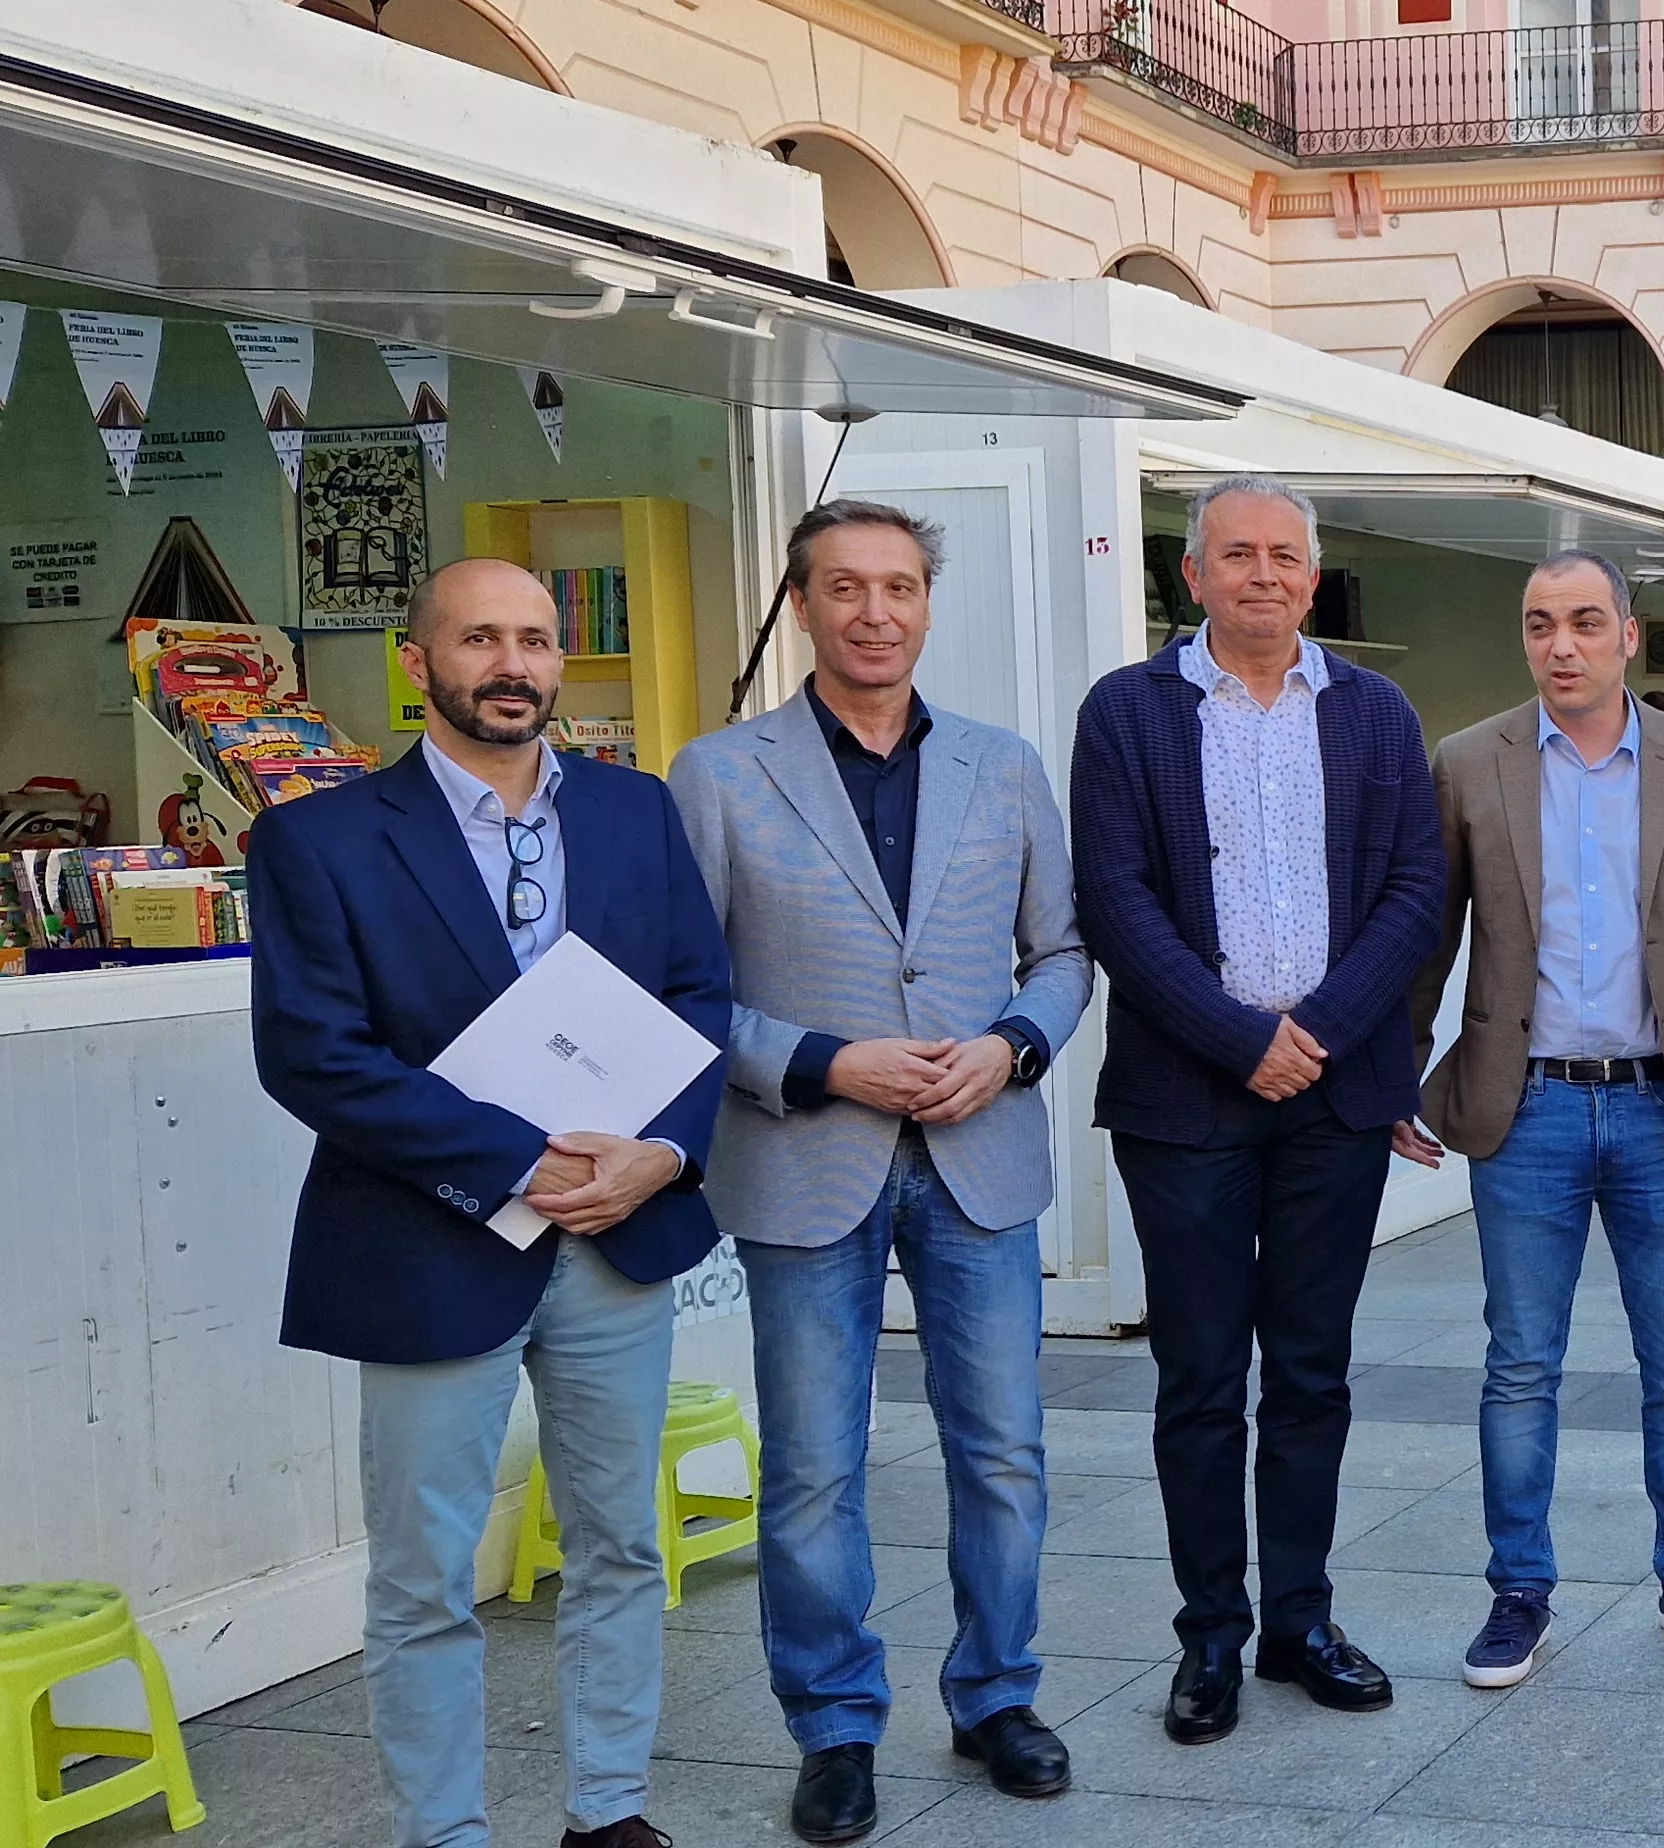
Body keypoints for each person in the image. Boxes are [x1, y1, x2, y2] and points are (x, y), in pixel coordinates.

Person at [248, 558, 731, 1848]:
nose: (511, 664)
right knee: (423, 1578)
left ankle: (610, 1811)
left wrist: (663, 1156)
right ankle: (443, 1831)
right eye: (478, 639)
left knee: (621, 1544)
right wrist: (518, 1163)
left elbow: (700, 999)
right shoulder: (318, 837)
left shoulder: (635, 812)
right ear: (419, 665)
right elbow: (313, 1052)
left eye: (534, 639)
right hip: (427, 1244)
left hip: (621, 1231)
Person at [670, 502, 1090, 1842]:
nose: (875, 612)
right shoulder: (721, 772)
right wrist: (817, 1062)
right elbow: (680, 990)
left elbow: (1066, 956)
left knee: (1006, 1455)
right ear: (802, 603)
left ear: (925, 602)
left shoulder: (1004, 765)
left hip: (978, 1153)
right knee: (809, 1467)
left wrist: (1013, 1049)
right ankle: (835, 1725)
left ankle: (996, 1698)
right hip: (804, 1155)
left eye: (899, 586)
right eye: (845, 587)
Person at [1070, 474, 1444, 1741]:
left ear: (1313, 571)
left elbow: (1412, 888)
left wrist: (1321, 1033)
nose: (1264, 576)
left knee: (1312, 1371)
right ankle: (1210, 1638)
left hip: (1334, 1099)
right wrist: (1243, 1040)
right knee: (1197, 1376)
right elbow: (1115, 901)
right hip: (1187, 1100)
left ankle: (1300, 1619)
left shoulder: (1378, 713)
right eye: (1238, 555)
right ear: (1194, 573)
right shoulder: (1127, 712)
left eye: (1286, 556)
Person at [1398, 549, 1664, 1690]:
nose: (1560, 644)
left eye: (1583, 622)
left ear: (1626, 635)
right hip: (1531, 1110)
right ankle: (1519, 1592)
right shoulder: (1469, 763)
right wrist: (1394, 1078)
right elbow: (1426, 933)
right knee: (1520, 1363)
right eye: (1539, 623)